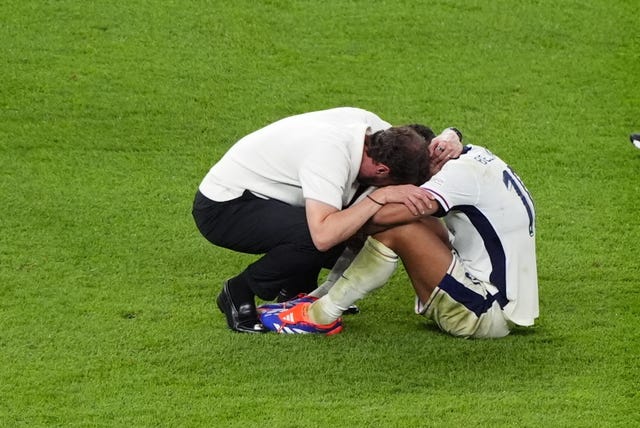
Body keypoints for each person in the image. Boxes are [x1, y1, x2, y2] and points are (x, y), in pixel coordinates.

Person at [192, 108, 464, 333]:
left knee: (351, 222)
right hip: (226, 206)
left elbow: (425, 145)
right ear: (382, 170)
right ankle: (238, 291)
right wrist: (379, 198)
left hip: (270, 196)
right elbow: (323, 235)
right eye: (393, 183)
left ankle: (296, 293)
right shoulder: (329, 156)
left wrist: (452, 136)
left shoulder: (385, 137)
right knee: (320, 236)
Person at [260, 126, 539, 338]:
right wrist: (452, 132)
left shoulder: (455, 177)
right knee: (405, 221)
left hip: (482, 314)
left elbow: (369, 221)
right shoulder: (472, 156)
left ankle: (319, 315)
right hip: (498, 304)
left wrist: (369, 203)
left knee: (397, 227)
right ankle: (321, 297)